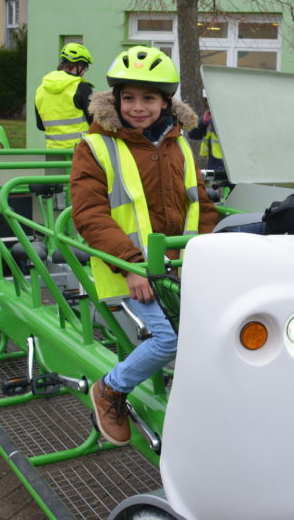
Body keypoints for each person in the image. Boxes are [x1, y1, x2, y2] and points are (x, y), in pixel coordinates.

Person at [70, 45, 218, 446]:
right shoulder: (96, 146)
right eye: (129, 97)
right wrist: (133, 266)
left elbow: (202, 206)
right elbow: (90, 215)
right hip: (130, 269)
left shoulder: (179, 144)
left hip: (180, 267)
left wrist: (203, 254)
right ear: (115, 99)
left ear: (165, 102)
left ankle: (198, 407)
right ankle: (110, 388)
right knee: (168, 340)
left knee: (213, 332)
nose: (138, 107)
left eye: (148, 98)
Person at [35, 43, 95, 149]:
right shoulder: (81, 87)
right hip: (80, 152)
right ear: (78, 65)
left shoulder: (40, 89)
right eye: (84, 67)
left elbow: (40, 126)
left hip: (53, 154)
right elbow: (95, 122)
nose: (84, 72)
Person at [189, 105, 225, 175]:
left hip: (228, 168)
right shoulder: (209, 117)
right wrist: (203, 122)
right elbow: (193, 134)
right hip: (214, 167)